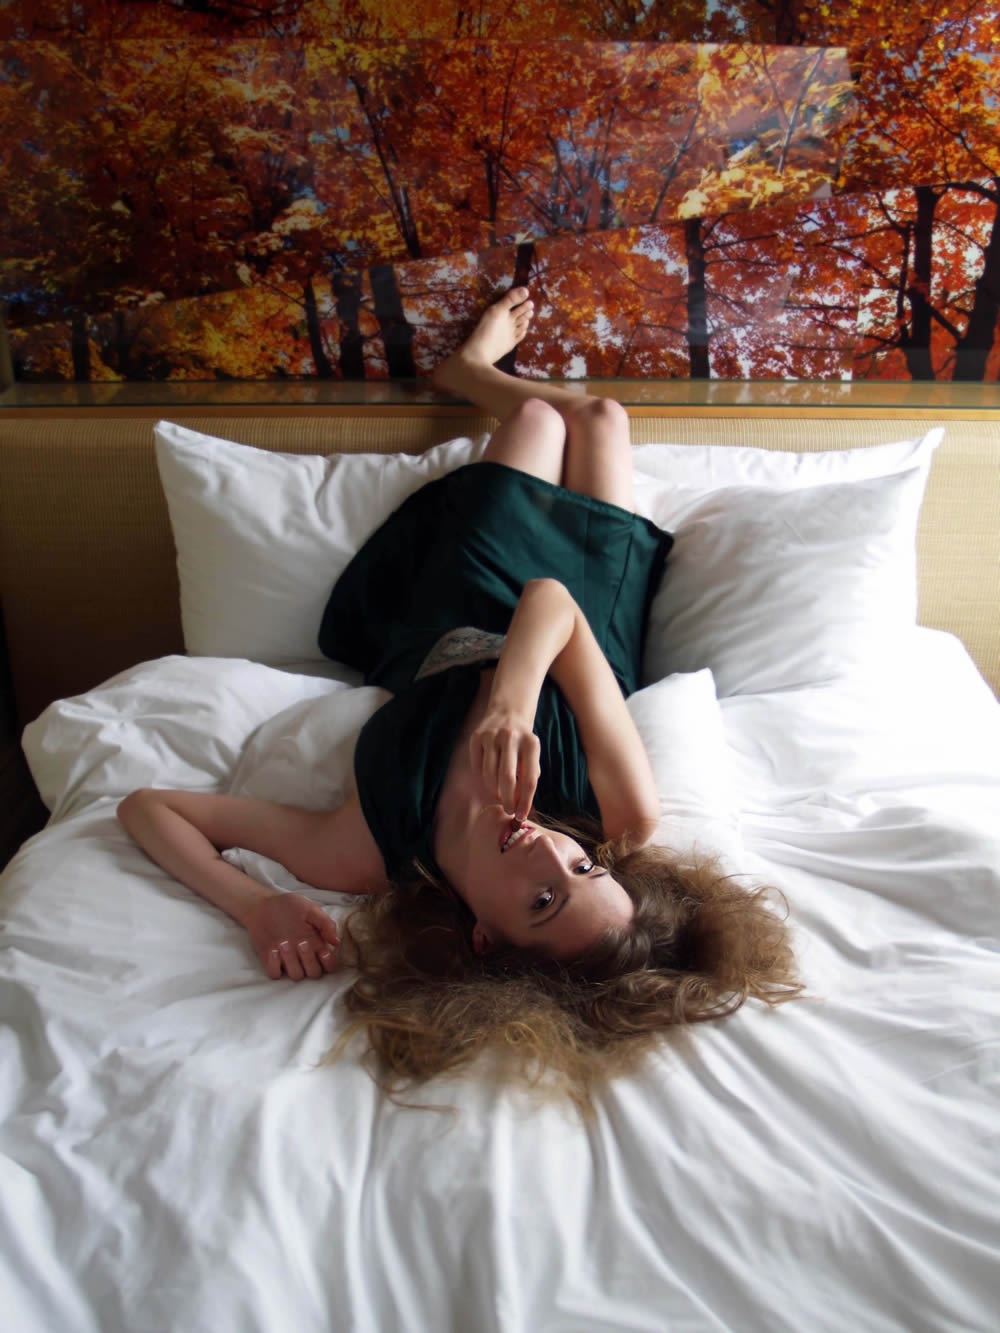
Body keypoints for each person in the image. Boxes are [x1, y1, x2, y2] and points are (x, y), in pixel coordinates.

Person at [119, 288, 804, 1112]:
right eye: (583, 867)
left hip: (454, 602)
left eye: (544, 900)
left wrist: (257, 904)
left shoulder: (365, 850)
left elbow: (149, 807)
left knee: (543, 420)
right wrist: (513, 703)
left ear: (485, 936)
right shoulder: (622, 814)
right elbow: (552, 600)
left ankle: (473, 371)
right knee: (603, 417)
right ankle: (472, 372)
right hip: (579, 627)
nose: (551, 852)